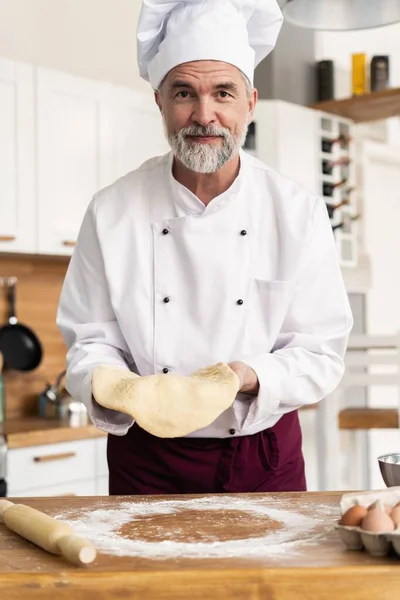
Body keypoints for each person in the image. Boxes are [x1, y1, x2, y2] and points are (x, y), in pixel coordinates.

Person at [57, 0, 353, 496]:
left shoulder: (295, 211)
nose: (204, 115)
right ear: (159, 102)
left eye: (223, 93)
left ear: (250, 103)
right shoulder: (111, 211)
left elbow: (321, 352)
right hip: (146, 459)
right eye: (183, 93)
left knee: (275, 578)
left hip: (262, 453)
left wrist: (247, 374)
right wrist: (116, 384)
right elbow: (88, 342)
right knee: (141, 577)